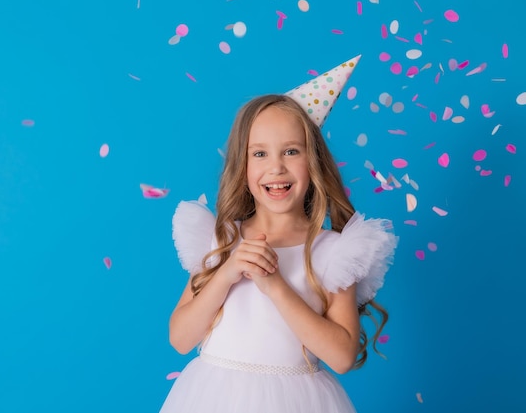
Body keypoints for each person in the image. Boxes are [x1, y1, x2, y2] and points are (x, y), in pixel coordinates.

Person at [159, 55, 398, 413]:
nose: (276, 167)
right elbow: (180, 339)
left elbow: (342, 357)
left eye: (291, 151)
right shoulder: (222, 238)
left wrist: (276, 287)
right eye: (259, 153)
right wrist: (225, 274)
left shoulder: (335, 252)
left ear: (313, 162)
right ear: (242, 168)